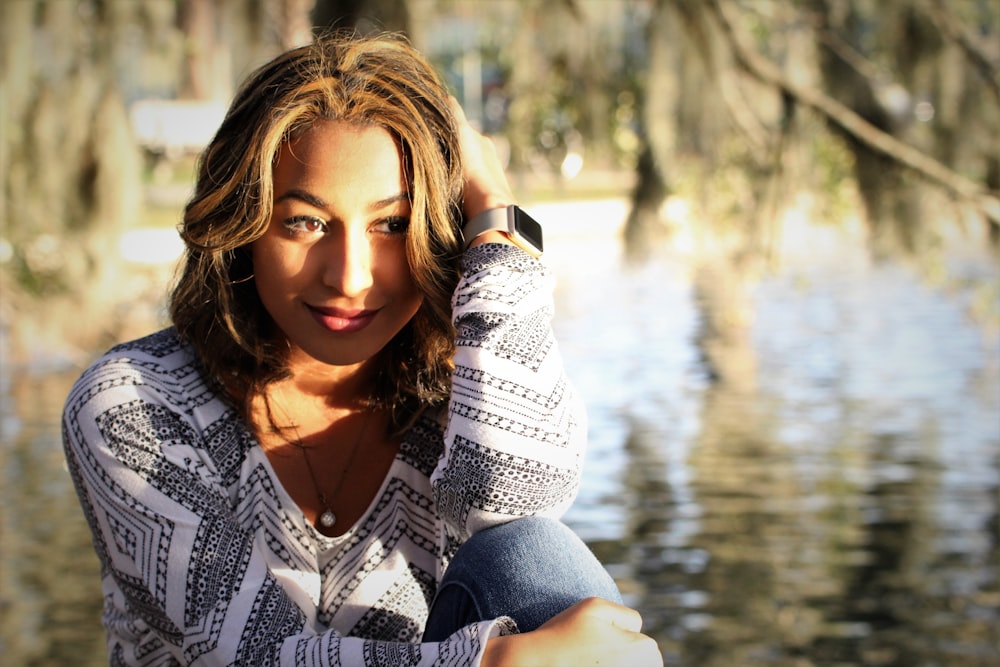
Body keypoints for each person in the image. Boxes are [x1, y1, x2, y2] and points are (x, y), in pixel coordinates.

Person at [62, 31, 663, 667]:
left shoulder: (466, 393)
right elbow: (246, 653)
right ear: (243, 227)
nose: (349, 277)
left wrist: (499, 224)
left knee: (533, 550)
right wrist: (490, 663)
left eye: (393, 225)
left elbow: (519, 506)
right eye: (306, 222)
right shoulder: (134, 404)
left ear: (439, 230)